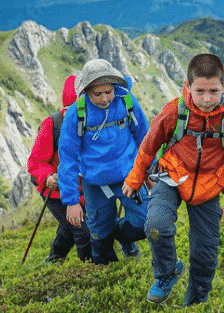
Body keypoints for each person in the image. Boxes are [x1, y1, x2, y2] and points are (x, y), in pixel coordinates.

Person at [123, 53, 224, 306]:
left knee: (205, 254)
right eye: (199, 91)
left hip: (208, 187)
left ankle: (195, 304)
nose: (206, 99)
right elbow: (148, 147)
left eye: (213, 91)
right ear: (187, 87)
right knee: (156, 226)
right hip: (171, 177)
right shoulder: (174, 111)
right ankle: (167, 273)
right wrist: (135, 179)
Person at [27, 75, 141, 263]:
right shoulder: (53, 125)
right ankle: (97, 269)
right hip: (59, 193)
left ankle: (54, 260)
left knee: (75, 226)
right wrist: (48, 177)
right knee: (83, 230)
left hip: (93, 188)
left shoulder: (102, 119)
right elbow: (35, 162)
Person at [58, 59, 150, 265]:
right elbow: (67, 159)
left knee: (144, 221)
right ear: (86, 91)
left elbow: (145, 138)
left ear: (115, 86)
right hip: (95, 183)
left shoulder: (127, 101)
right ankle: (104, 270)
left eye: (108, 92)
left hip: (129, 175)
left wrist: (149, 172)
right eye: (97, 94)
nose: (104, 99)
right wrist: (72, 201)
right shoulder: (76, 114)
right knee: (99, 231)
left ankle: (122, 237)